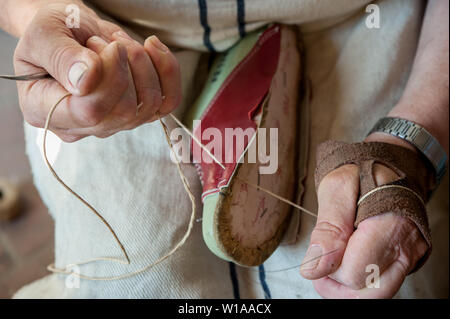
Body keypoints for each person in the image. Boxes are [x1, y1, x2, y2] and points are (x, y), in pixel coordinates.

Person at [0, 0, 447, 298]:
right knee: (129, 285)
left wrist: (413, 139)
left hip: (366, 23)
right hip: (122, 55)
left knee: (370, 280)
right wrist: (50, 18)